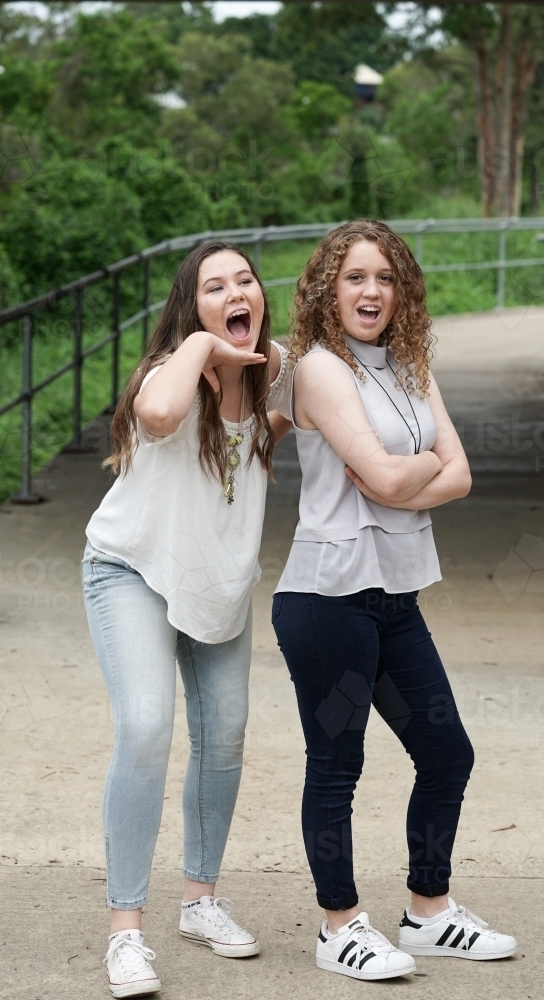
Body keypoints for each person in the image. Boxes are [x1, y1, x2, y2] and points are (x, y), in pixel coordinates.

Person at [272, 220, 517, 981]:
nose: (370, 291)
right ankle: (337, 927)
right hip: (327, 598)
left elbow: (458, 475)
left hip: (394, 596)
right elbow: (393, 479)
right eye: (354, 277)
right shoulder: (318, 369)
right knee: (337, 763)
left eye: (384, 278)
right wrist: (415, 470)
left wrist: (397, 471)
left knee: (446, 753)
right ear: (327, 288)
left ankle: (427, 913)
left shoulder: (411, 364)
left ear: (401, 289)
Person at [82, 241, 292, 998]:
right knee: (144, 726)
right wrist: (204, 343)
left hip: (218, 588)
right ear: (189, 307)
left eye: (244, 282)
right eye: (213, 287)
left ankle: (199, 900)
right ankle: (126, 932)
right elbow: (165, 412)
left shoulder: (279, 374)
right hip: (129, 570)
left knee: (225, 735)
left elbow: (345, 409)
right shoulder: (165, 375)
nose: (235, 292)